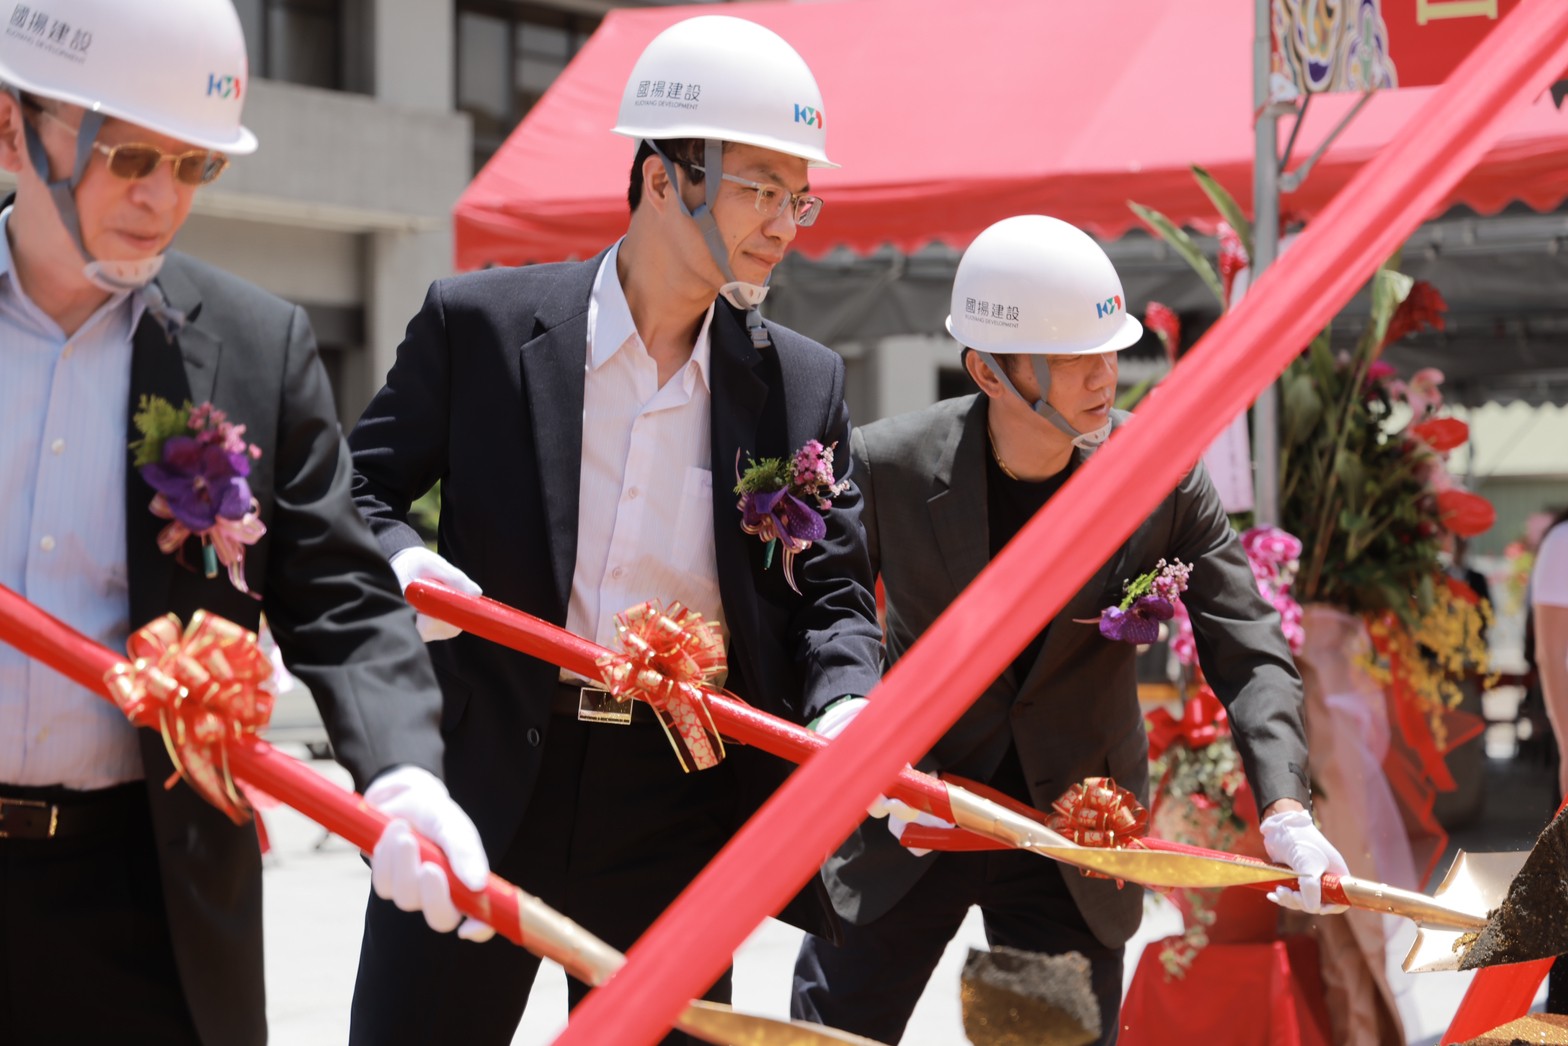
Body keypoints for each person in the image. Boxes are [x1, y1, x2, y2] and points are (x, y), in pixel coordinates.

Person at [346, 15, 882, 1045]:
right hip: (486, 771)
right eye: (759, 188)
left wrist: (848, 701)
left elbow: (833, 594)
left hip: (678, 796)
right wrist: (407, 562)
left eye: (797, 196)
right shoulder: (482, 326)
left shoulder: (801, 384)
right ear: (661, 177)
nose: (784, 223)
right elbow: (347, 497)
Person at [0, 3, 486, 1044]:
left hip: (144, 886)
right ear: (11, 127)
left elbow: (343, 598)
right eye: (130, 154)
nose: (162, 198)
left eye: (195, 166)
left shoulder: (257, 348)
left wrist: (401, 773)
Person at [790, 216, 1344, 1046]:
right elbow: (820, 609)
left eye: (1111, 350)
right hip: (911, 807)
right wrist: (849, 725)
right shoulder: (886, 463)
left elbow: (1247, 640)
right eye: (1077, 356)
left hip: (1072, 829)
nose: (1105, 376)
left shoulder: (1160, 477)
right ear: (988, 369)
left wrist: (1287, 808)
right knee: (830, 1037)